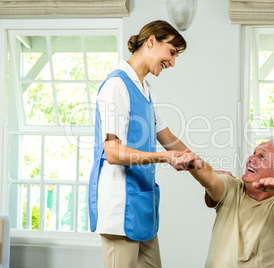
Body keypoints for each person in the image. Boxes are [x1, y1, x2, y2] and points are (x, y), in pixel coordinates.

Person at [88, 20, 200, 268]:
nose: (172, 63)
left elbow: (169, 140)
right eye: (171, 52)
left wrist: (206, 169)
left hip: (142, 206)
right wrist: (164, 158)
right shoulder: (116, 86)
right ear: (151, 41)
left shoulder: (147, 91)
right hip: (119, 209)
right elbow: (113, 152)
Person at [177, 137, 274, 267]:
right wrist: (195, 164)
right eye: (254, 153)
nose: (251, 159)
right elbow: (209, 177)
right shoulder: (232, 186)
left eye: (262, 156)